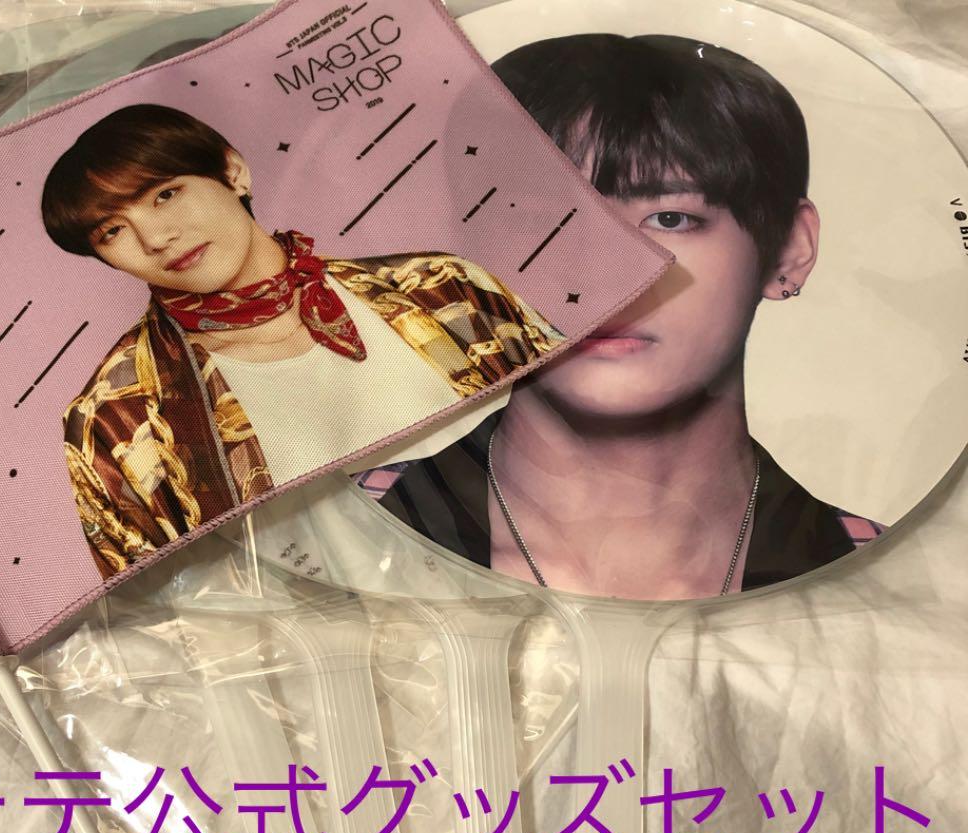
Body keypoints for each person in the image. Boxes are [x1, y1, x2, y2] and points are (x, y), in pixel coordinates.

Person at [363, 34, 883, 600]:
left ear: (790, 250)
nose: (602, 272)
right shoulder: (335, 537)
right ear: (464, 250)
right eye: (543, 219)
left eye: (670, 218)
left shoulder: (896, 582)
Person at [41, 103, 561, 579]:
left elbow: (584, 430)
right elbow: (162, 614)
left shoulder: (441, 288)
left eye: (166, 195)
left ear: (232, 172)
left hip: (569, 582)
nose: (156, 239)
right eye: (112, 231)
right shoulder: (117, 415)